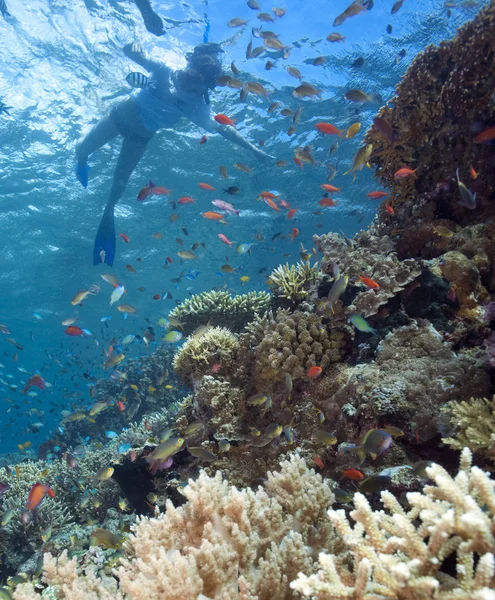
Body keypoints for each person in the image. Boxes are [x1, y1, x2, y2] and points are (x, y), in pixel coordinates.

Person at [76, 41, 271, 266]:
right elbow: (138, 56)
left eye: (196, 85)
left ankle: (108, 215)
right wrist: (132, 49)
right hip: (117, 118)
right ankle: (80, 155)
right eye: (189, 77)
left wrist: (254, 150)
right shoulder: (166, 71)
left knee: (118, 185)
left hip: (139, 139)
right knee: (83, 151)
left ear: (205, 87)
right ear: (188, 69)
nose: (188, 86)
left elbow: (223, 128)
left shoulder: (198, 106)